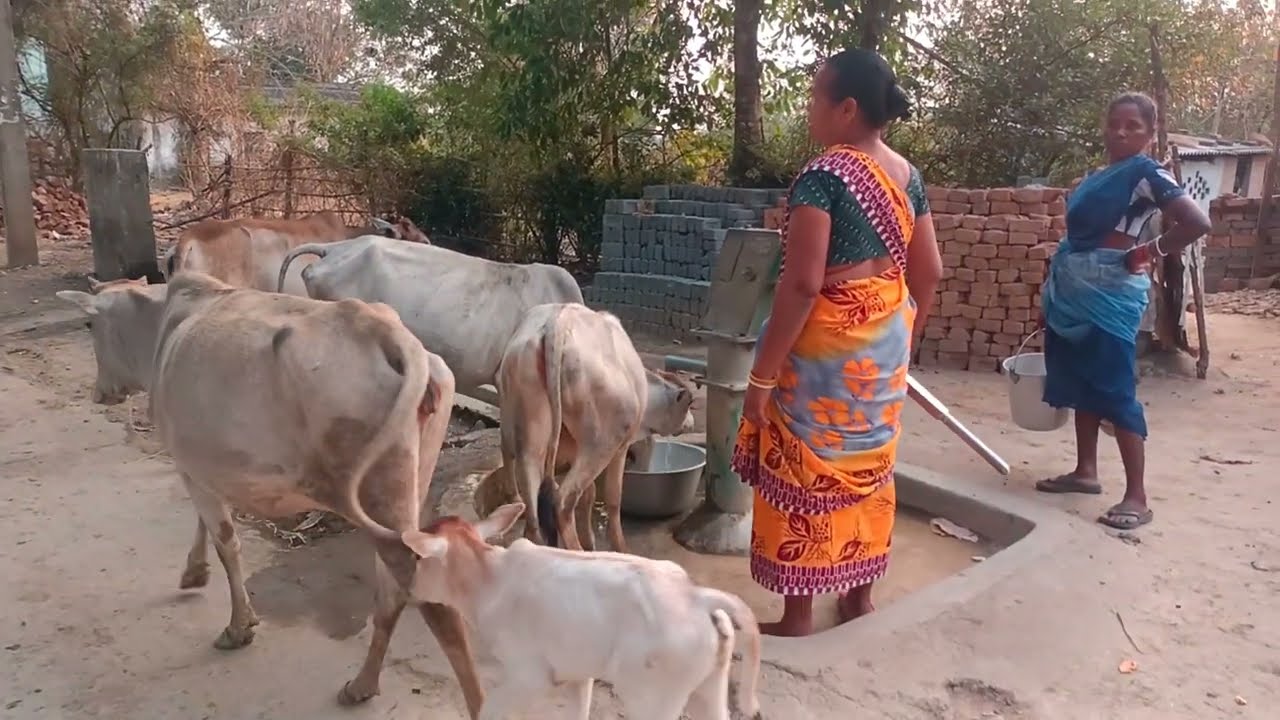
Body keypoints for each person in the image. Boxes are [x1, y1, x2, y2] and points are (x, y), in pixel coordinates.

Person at [732, 48, 943, 637]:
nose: (809, 109)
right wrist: (899, 342)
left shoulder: (823, 177)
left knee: (802, 464)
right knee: (870, 462)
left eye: (815, 97)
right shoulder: (908, 177)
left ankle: (798, 615)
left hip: (823, 358)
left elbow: (802, 286)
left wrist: (761, 379)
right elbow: (929, 273)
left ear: (847, 108)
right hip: (882, 350)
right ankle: (857, 598)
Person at [1034, 92, 1211, 530]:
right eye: (1114, 123)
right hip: (1074, 287)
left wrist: (1149, 250)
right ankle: (1085, 471)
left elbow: (1197, 222)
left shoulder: (1147, 174)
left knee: (1114, 388)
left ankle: (1137, 496)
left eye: (1133, 126)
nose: (1120, 132)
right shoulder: (1098, 177)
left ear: (1150, 133)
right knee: (1081, 379)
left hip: (1110, 291)